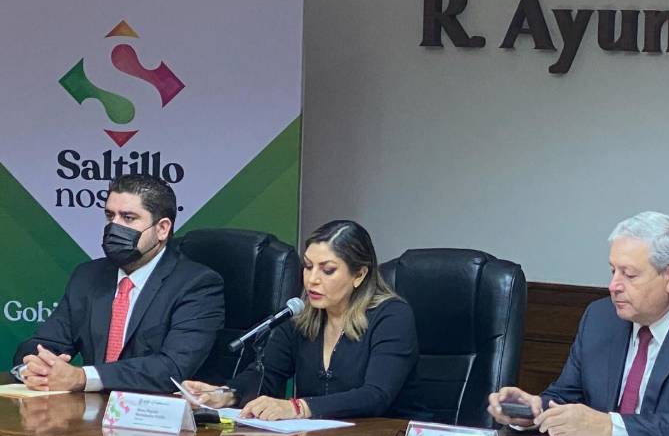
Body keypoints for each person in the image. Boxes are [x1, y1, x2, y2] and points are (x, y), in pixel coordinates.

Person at [487, 211, 669, 436]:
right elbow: (567, 396)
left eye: (629, 275)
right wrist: (531, 411)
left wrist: (609, 427)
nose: (613, 286)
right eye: (613, 271)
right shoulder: (600, 318)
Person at [184, 220, 422, 421]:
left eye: (327, 270)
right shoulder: (301, 318)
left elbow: (376, 396)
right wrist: (225, 394)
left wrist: (299, 407)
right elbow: (268, 375)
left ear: (359, 274)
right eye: (308, 267)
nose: (312, 280)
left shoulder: (391, 316)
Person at [12, 174, 223, 393]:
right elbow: (43, 343)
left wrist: (83, 377)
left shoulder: (196, 285)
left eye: (128, 218)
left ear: (162, 228)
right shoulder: (88, 276)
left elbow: (172, 368)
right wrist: (34, 367)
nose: (114, 226)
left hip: (154, 410)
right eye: (110, 215)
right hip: (88, 408)